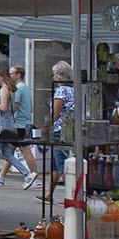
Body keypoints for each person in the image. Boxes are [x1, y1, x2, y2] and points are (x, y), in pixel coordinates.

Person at [0, 66, 29, 189]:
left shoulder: (4, 89)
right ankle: (27, 174)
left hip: (1, 123)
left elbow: (3, 108)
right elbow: (12, 108)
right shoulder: (11, 89)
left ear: (2, 77)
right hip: (9, 123)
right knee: (7, 153)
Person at [5, 65, 40, 187]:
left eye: (11, 73)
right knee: (9, 151)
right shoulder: (25, 88)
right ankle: (0, 177)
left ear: (18, 74)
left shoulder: (18, 88)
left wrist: (6, 115)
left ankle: (34, 178)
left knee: (25, 151)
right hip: (24, 123)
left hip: (19, 124)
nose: (10, 76)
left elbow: (15, 106)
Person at [46, 60, 76, 199]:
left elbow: (55, 113)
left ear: (59, 76)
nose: (53, 78)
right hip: (69, 128)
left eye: (54, 75)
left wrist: (47, 125)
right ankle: (48, 194)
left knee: (61, 163)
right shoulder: (73, 90)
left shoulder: (61, 90)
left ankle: (72, 195)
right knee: (54, 164)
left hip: (59, 129)